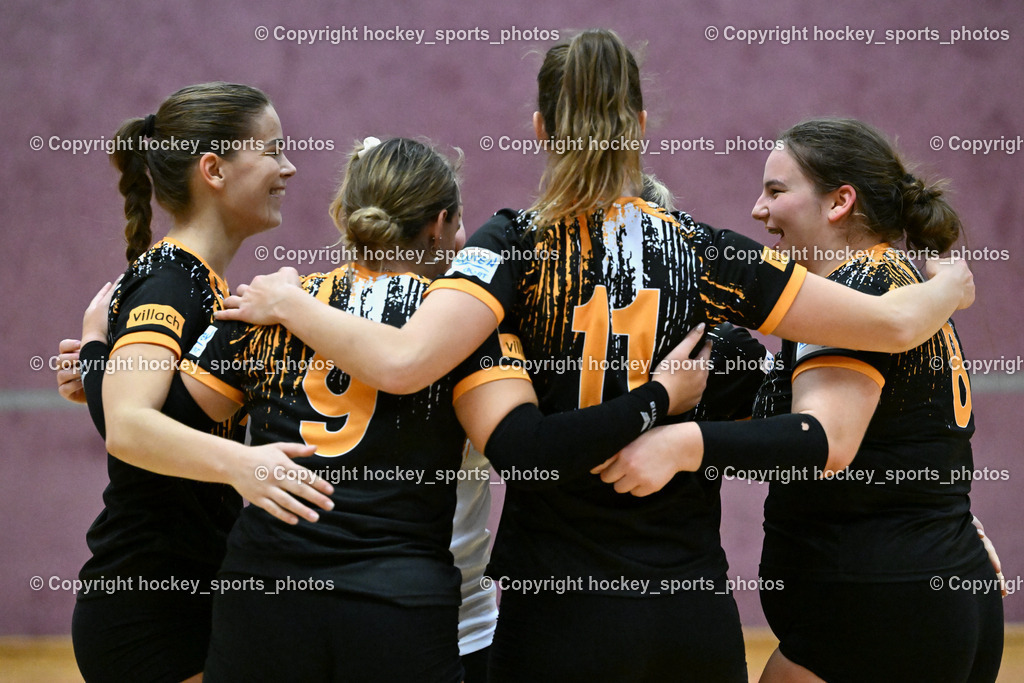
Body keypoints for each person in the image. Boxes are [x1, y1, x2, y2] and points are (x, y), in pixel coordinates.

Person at [213, 32, 975, 681]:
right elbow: (887, 331)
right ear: (640, 125)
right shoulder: (705, 252)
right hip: (689, 612)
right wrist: (949, 284)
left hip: (559, 613)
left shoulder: (510, 247)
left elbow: (410, 362)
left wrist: (291, 301)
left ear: (541, 128)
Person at [168, 136, 708, 681]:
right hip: (400, 604)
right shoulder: (463, 333)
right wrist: (657, 396)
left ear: (342, 215)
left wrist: (110, 366)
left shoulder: (266, 307)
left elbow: (163, 425)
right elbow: (528, 448)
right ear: (441, 225)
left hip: (263, 594)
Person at [598, 118, 1005, 682]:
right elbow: (891, 441)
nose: (757, 210)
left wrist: (682, 445)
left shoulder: (854, 291)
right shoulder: (892, 288)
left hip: (881, 603)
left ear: (839, 202)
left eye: (775, 190)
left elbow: (827, 441)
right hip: (930, 587)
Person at [67, 82, 334, 683]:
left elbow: (144, 412)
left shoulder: (201, 282)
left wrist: (94, 360)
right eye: (272, 150)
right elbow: (128, 428)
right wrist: (245, 465)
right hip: (148, 606)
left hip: (193, 587)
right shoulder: (170, 280)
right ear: (213, 169)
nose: (289, 167)